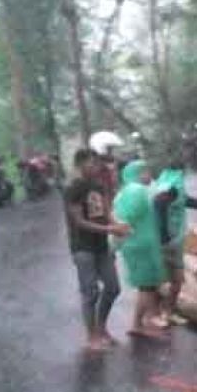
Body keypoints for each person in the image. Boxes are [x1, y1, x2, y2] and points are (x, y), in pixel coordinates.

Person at [64, 148, 131, 351]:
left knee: (113, 287)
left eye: (96, 163)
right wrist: (111, 228)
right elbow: (79, 221)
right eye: (91, 163)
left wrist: (119, 225)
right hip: (82, 247)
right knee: (90, 292)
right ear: (80, 165)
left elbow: (106, 212)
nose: (95, 167)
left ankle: (102, 328)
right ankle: (91, 336)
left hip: (101, 244)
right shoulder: (73, 188)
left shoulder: (98, 186)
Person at [153, 160, 197, 325]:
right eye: (182, 171)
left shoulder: (170, 184)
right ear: (179, 170)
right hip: (167, 239)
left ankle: (168, 311)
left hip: (174, 238)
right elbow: (158, 207)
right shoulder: (169, 186)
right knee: (164, 279)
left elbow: (186, 201)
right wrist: (164, 235)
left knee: (177, 279)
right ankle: (156, 314)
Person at [113, 159, 168, 339]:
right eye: (144, 172)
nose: (148, 175)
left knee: (147, 285)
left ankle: (148, 319)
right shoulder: (137, 191)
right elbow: (130, 217)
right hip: (140, 243)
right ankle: (136, 324)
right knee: (147, 286)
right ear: (134, 174)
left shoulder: (124, 192)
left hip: (134, 243)